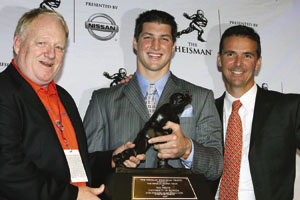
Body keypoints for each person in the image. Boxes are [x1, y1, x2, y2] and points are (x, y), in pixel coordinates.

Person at [0, 8, 142, 200]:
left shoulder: (63, 97)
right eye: (42, 43)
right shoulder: (4, 91)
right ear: (18, 44)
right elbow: (8, 169)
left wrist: (112, 159)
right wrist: (71, 195)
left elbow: (72, 162)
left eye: (59, 47)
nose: (51, 54)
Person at [83, 9, 223, 181]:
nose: (156, 46)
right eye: (148, 37)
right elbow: (84, 165)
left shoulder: (201, 98)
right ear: (135, 43)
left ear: (173, 47)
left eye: (164, 39)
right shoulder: (103, 100)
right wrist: (112, 159)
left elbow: (215, 166)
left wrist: (187, 149)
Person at [214, 25, 300, 199]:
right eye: (230, 54)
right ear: (219, 60)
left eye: (247, 55)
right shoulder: (206, 110)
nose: (238, 63)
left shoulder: (289, 107)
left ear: (258, 62)